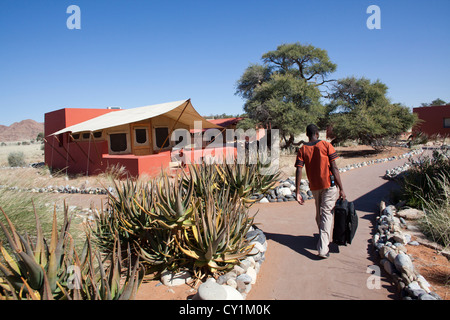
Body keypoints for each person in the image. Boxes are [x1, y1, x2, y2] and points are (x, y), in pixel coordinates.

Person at [295, 124, 346, 259]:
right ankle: (323, 248)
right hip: (329, 185)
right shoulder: (326, 145)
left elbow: (299, 169)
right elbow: (334, 168)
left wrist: (297, 191)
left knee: (321, 214)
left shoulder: (302, 149)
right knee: (325, 214)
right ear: (317, 133)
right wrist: (341, 188)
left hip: (315, 187)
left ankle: (323, 241)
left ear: (307, 134)